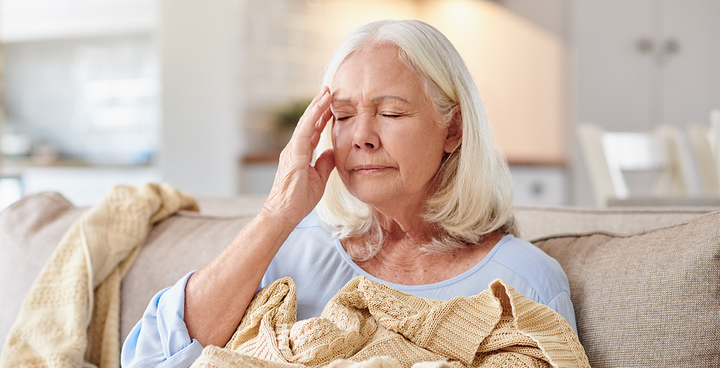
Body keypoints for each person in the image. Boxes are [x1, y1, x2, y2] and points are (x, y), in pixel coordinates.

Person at [121, 20, 576, 368]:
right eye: (341, 115)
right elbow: (153, 357)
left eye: (391, 113)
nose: (362, 137)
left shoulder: (524, 282)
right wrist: (277, 213)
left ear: (453, 129)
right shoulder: (292, 248)